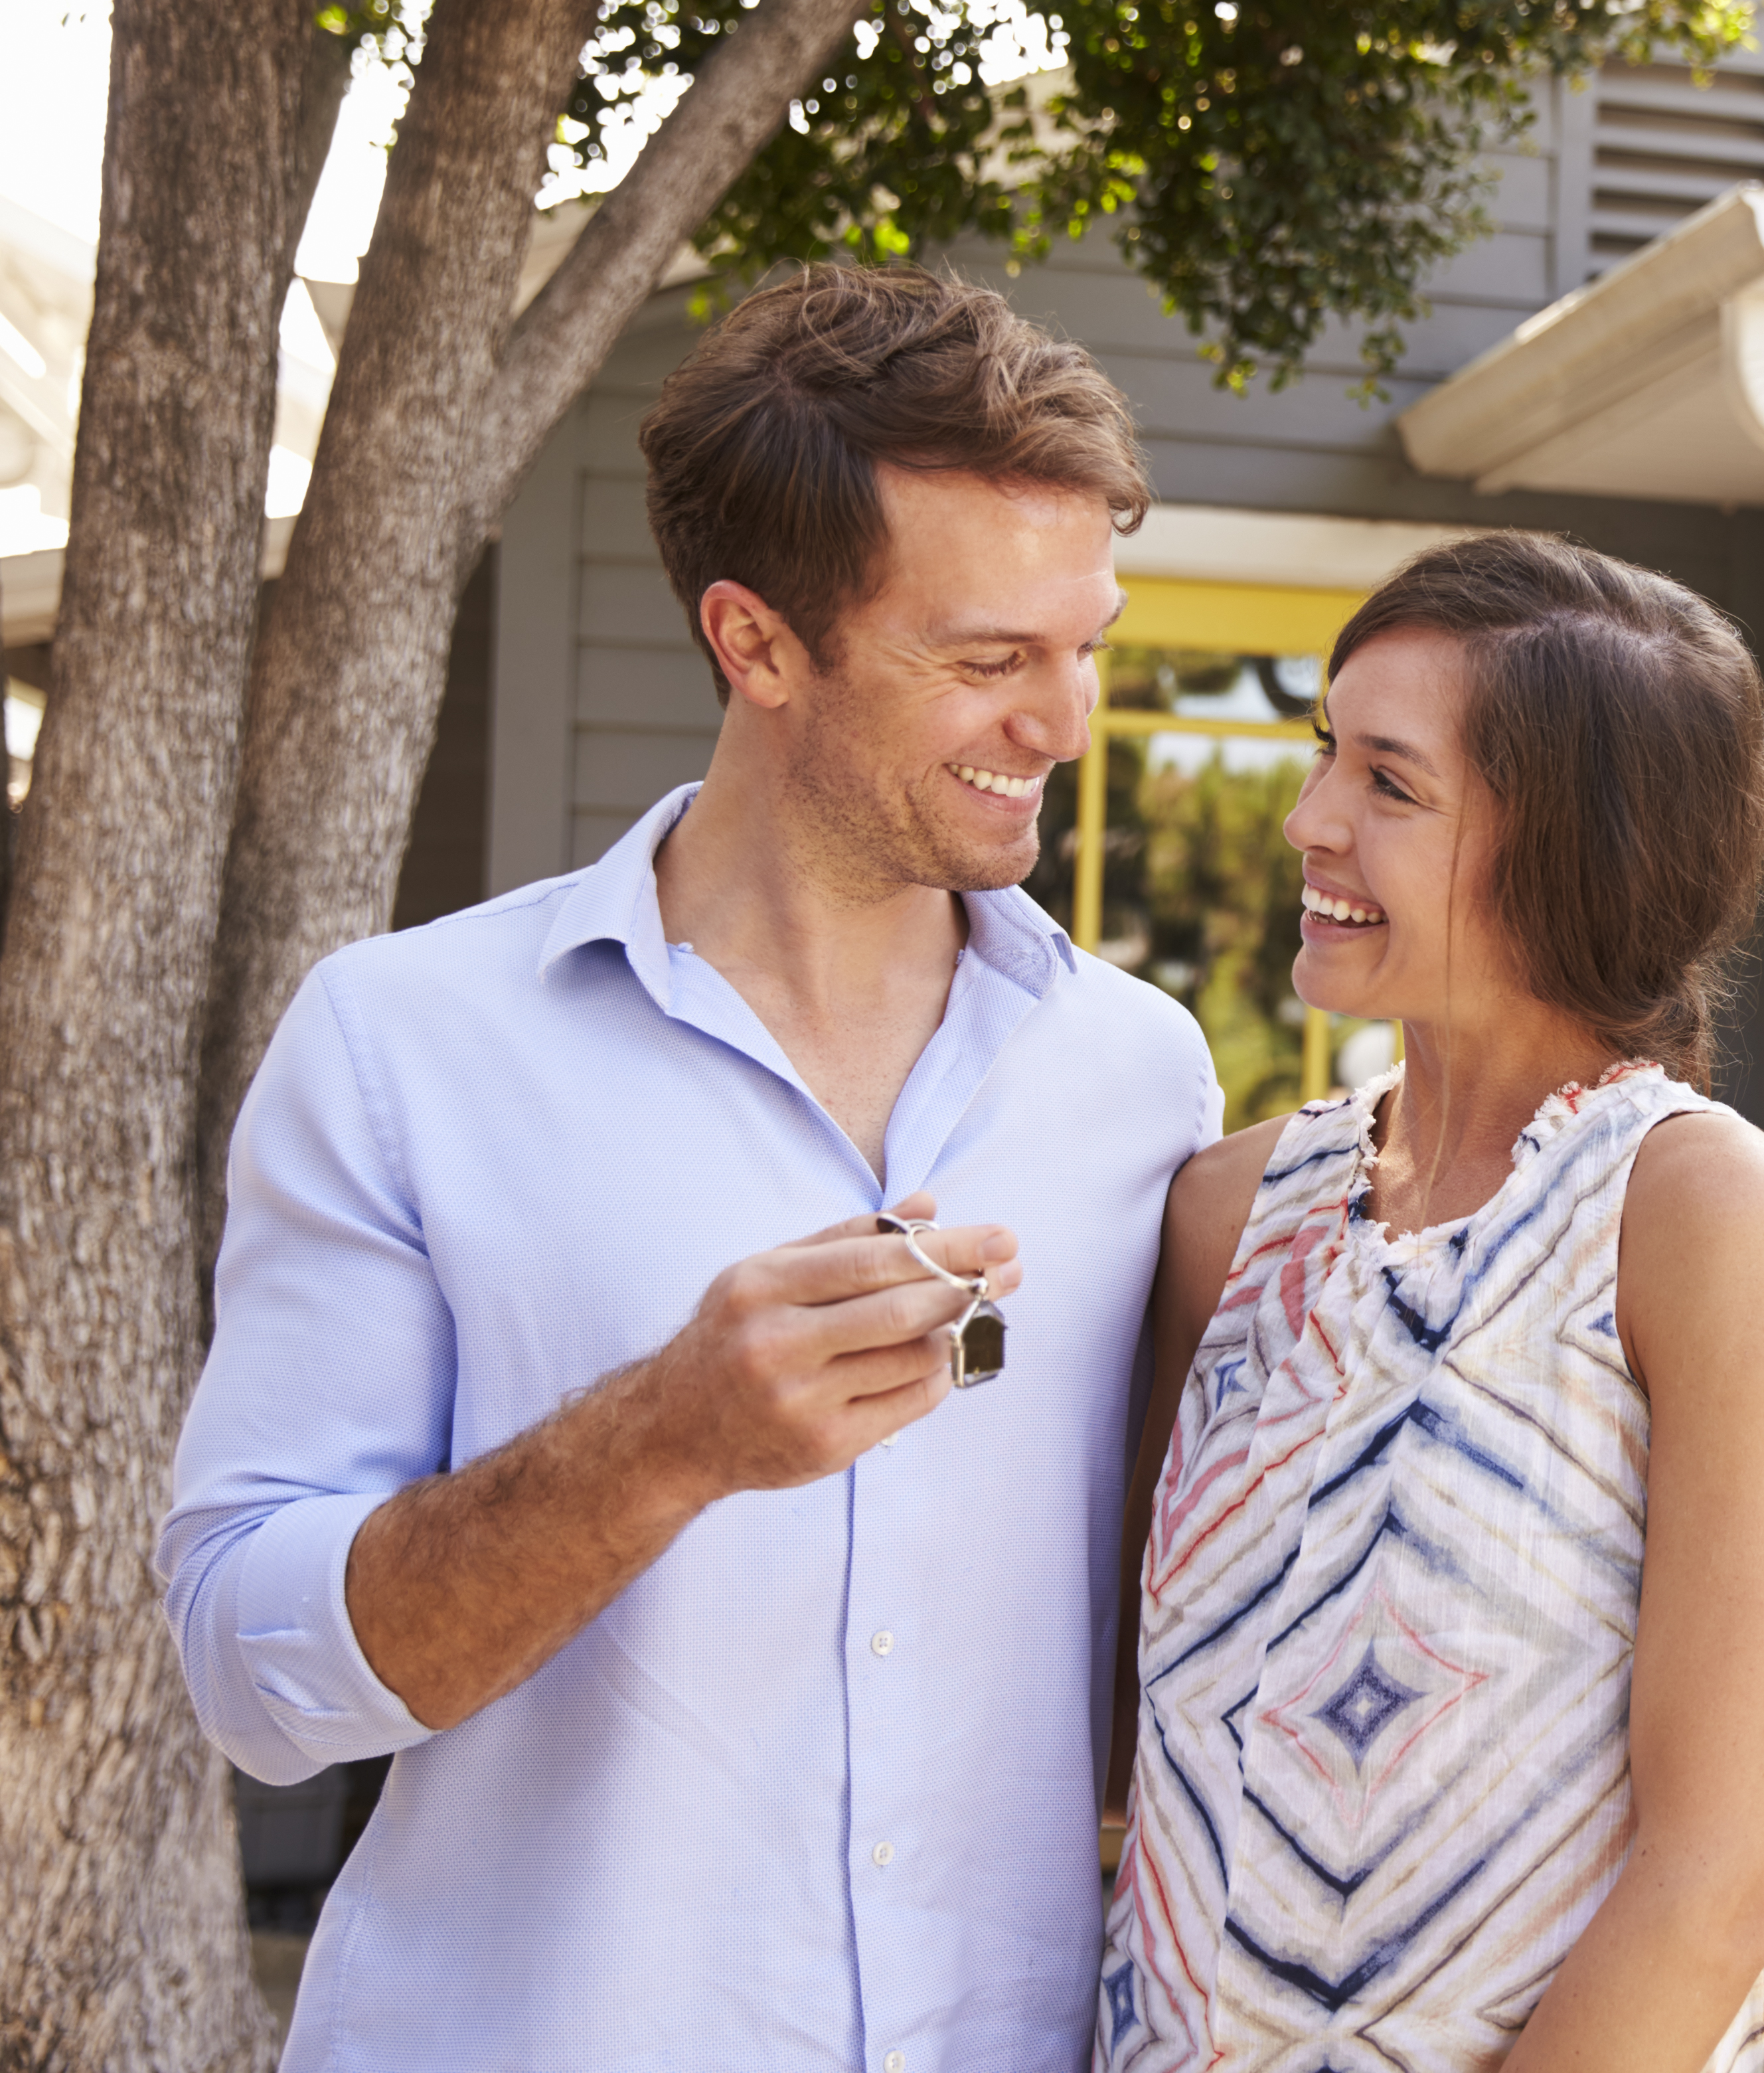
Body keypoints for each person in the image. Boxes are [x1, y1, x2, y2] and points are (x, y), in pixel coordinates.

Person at [161, 264, 1218, 2072]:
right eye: (986, 661)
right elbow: (254, 1678)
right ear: (756, 645)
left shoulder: (1143, 1080)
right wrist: (660, 1440)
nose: (1063, 723)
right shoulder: (405, 1044)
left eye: (1085, 646)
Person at [1099, 533, 1764, 2070]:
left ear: (1576, 849)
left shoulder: (1703, 1218)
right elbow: (1129, 1756)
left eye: (1391, 785)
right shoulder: (1227, 1217)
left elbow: (1714, 1889)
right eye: (1329, 755)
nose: (1310, 821)